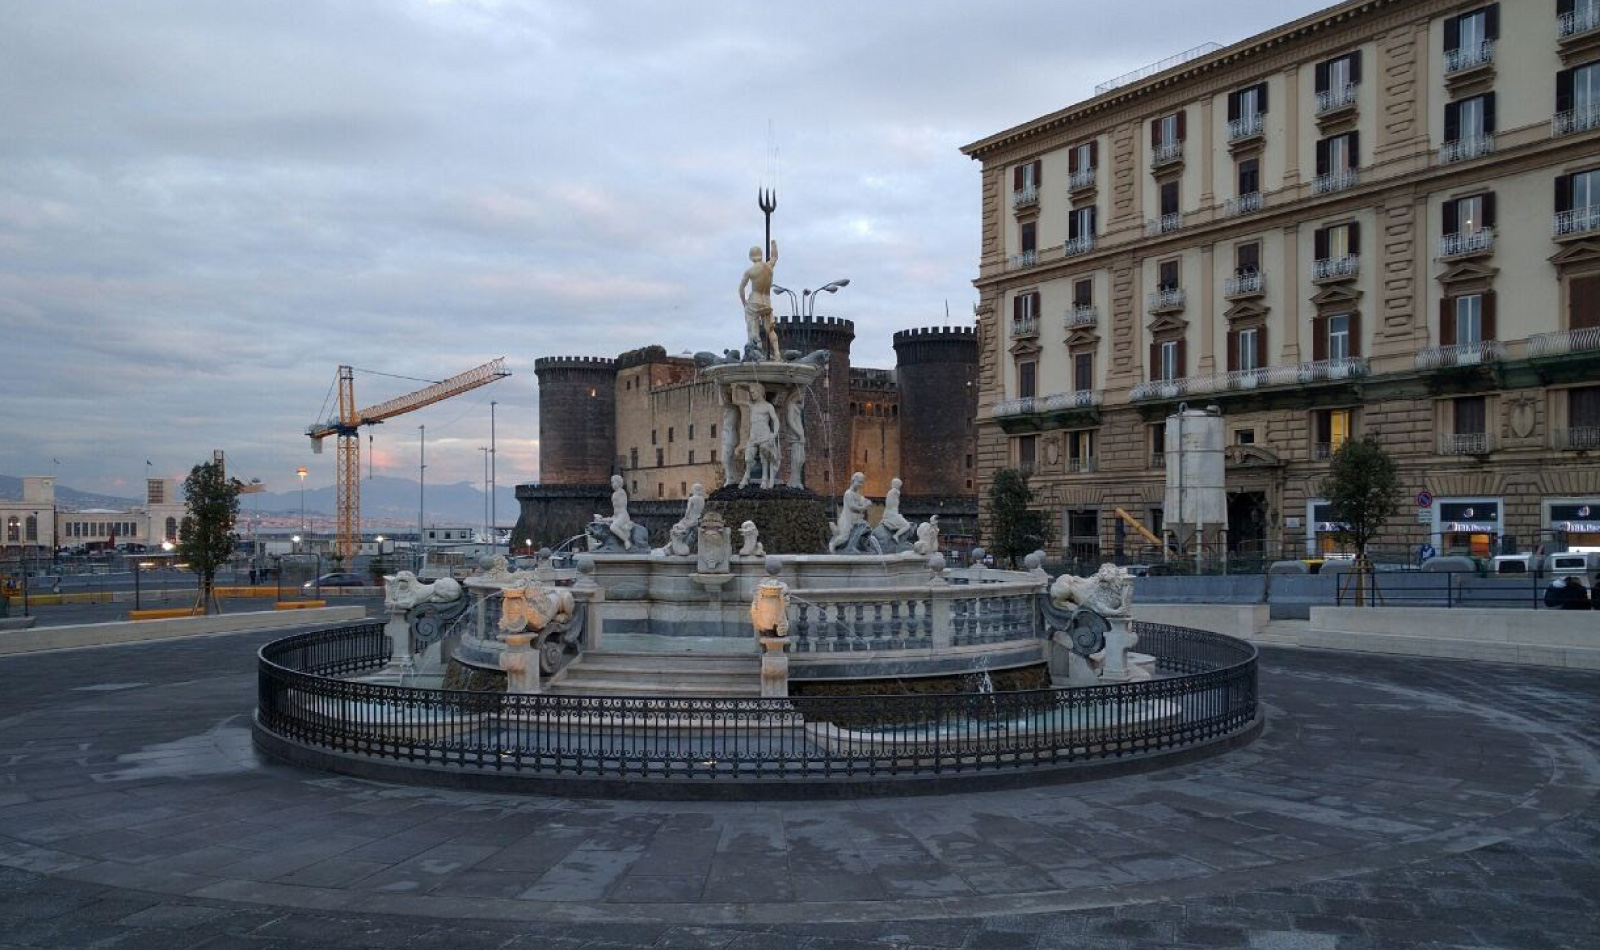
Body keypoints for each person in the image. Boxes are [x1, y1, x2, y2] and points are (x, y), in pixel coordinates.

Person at [737, 240, 782, 359]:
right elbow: (775, 256)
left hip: (754, 301)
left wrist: (744, 303)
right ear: (761, 255)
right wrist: (773, 244)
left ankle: (757, 354)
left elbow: (741, 288)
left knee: (753, 330)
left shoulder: (750, 271)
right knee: (770, 329)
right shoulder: (769, 267)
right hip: (766, 301)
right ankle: (777, 353)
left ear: (751, 257)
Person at [740, 389, 781, 490]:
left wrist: (774, 434)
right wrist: (736, 387)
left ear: (760, 392)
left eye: (753, 392)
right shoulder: (752, 405)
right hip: (753, 436)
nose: (752, 394)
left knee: (764, 458)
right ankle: (747, 476)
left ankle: (764, 479)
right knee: (748, 457)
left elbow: (775, 420)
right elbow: (736, 400)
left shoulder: (768, 406)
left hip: (764, 434)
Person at [828, 472, 872, 552]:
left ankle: (856, 547)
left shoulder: (857, 493)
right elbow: (852, 507)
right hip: (846, 520)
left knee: (863, 530)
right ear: (853, 480)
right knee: (844, 537)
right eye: (859, 482)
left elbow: (862, 499)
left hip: (854, 521)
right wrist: (863, 507)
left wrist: (867, 502)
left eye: (862, 483)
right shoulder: (848, 493)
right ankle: (833, 544)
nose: (860, 485)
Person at [608, 474, 636, 550]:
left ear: (619, 483)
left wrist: (615, 518)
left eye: (613, 482)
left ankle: (626, 541)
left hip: (622, 515)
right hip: (617, 515)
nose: (612, 484)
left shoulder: (621, 492)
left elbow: (622, 507)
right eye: (611, 482)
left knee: (613, 527)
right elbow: (616, 510)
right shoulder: (614, 494)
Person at [880, 477, 912, 543]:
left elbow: (893, 507)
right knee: (907, 525)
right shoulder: (894, 492)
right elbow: (891, 507)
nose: (899, 488)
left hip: (892, 514)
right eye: (899, 485)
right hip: (891, 515)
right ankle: (896, 535)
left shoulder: (892, 493)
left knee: (905, 523)